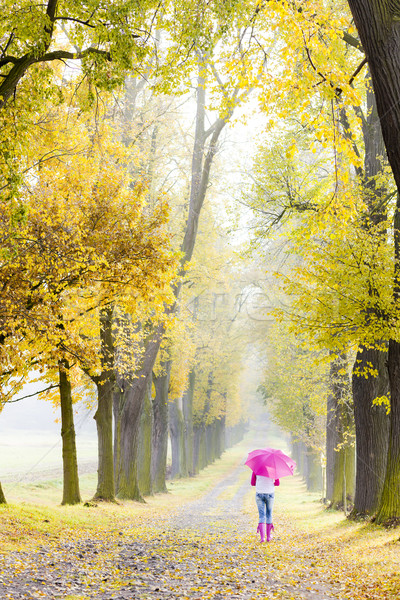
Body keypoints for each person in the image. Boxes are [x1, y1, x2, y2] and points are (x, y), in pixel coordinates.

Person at [251, 471, 280, 542]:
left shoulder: (256, 469)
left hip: (259, 494)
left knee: (261, 516)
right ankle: (268, 537)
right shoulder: (273, 469)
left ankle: (262, 538)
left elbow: (252, 483)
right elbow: (277, 483)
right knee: (269, 515)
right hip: (269, 493)